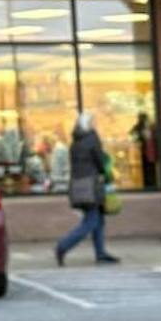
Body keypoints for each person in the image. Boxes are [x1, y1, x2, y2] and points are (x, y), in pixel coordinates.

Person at [54, 112, 119, 265]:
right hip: (91, 184)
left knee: (98, 219)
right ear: (89, 124)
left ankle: (100, 252)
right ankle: (63, 246)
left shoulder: (75, 141)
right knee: (91, 221)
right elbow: (100, 162)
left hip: (78, 184)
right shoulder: (92, 139)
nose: (95, 124)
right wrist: (106, 173)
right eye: (94, 122)